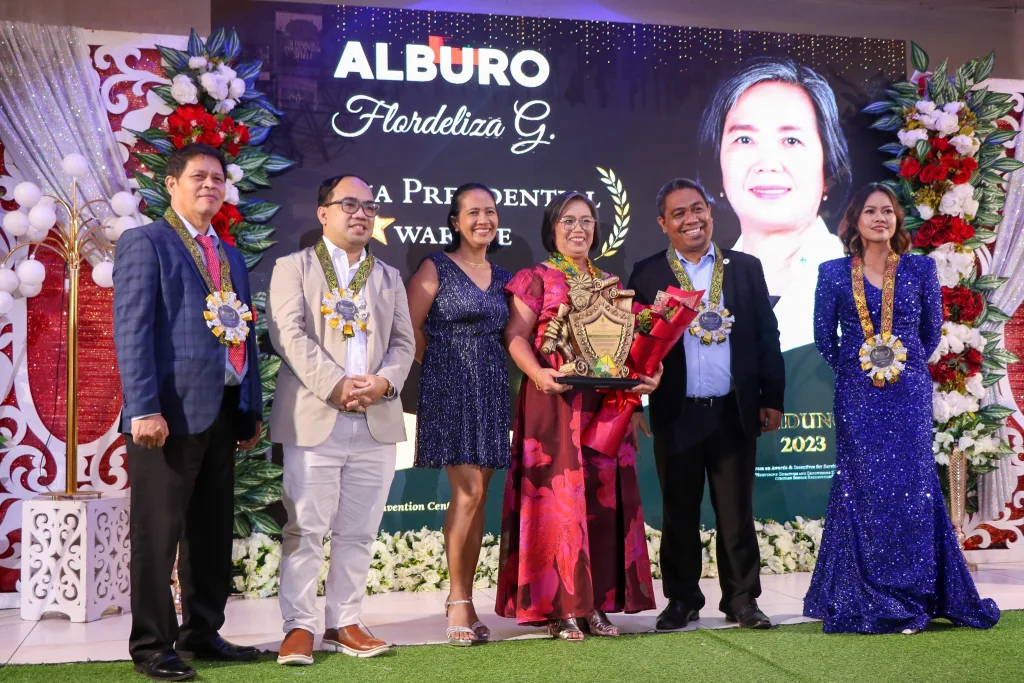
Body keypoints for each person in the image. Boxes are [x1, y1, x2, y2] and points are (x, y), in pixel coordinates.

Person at [803, 183, 1000, 634]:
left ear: (897, 220)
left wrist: (901, 368)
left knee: (912, 488)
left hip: (908, 394)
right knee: (861, 488)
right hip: (857, 397)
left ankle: (915, 592)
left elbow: (930, 333)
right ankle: (863, 593)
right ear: (854, 221)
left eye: (888, 211)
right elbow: (823, 337)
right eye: (870, 211)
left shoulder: (919, 268)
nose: (880, 218)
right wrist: (858, 369)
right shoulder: (833, 272)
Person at [113, 143, 263, 682]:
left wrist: (249, 406)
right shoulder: (146, 242)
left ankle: (201, 631)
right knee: (157, 534)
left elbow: (243, 331)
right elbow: (132, 331)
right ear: (172, 184)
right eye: (198, 176)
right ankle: (152, 646)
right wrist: (143, 408)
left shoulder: (230, 255)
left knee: (210, 530)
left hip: (221, 408)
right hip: (166, 416)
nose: (209, 185)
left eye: (218, 178)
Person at [496, 191, 662, 641]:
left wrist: (651, 373)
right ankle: (558, 608)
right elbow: (515, 335)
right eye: (568, 220)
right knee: (556, 500)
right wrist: (539, 375)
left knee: (602, 501)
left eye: (586, 220)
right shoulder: (535, 278)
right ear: (552, 227)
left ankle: (596, 603)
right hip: (553, 403)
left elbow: (630, 348)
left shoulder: (611, 283)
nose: (578, 229)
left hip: (605, 408)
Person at [268, 174, 415, 665]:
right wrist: (335, 384)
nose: (361, 214)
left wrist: (384, 382)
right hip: (315, 415)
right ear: (323, 213)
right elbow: (287, 334)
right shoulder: (293, 267)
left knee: (360, 530)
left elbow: (404, 343)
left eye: (369, 207)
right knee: (305, 528)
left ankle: (344, 621)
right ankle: (299, 626)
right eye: (349, 204)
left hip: (376, 417)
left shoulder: (388, 276)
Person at [628, 178, 785, 631]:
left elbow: (766, 335)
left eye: (697, 208)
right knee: (679, 511)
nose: (690, 219)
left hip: (733, 409)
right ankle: (682, 599)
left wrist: (772, 397)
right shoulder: (647, 274)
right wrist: (634, 403)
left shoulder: (745, 268)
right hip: (675, 410)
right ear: (663, 223)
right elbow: (632, 345)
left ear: (710, 213)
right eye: (678, 213)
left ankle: (742, 599)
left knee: (736, 511)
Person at [407, 183, 512, 646]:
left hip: (491, 389)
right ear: (455, 221)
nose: (483, 220)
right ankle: (457, 599)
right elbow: (408, 326)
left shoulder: (504, 275)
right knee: (467, 494)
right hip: (449, 388)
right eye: (473, 212)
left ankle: (466, 599)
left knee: (480, 496)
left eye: (490, 211)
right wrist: (442, 366)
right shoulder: (436, 266)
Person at [697, 56, 852, 352]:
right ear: (717, 161)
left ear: (828, 164)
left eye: (791, 140)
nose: (767, 164)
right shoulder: (694, 286)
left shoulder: (865, 281)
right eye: (744, 139)